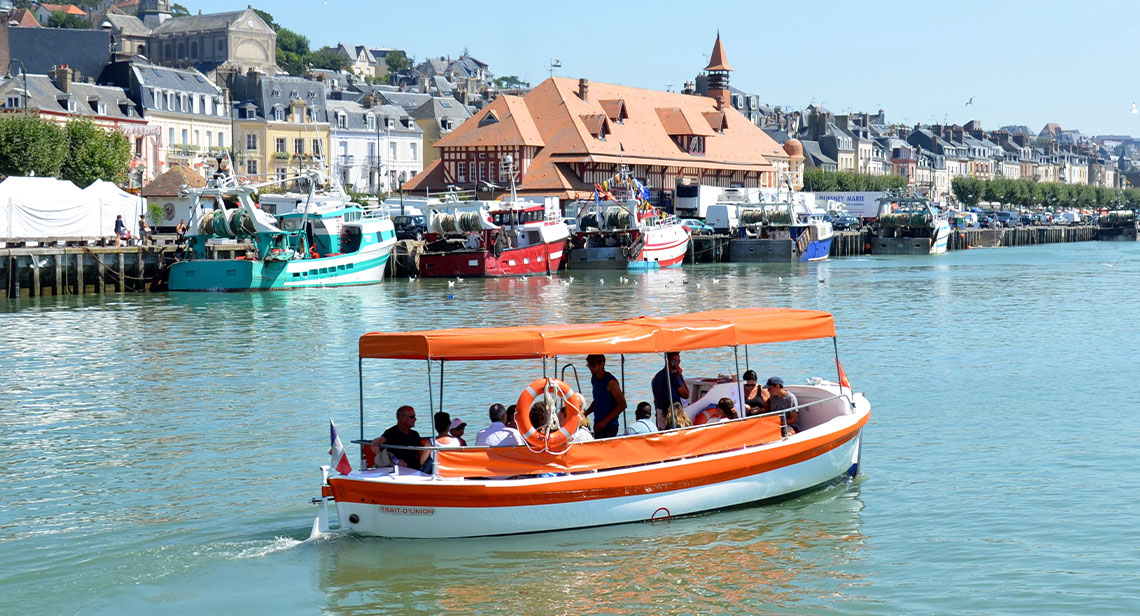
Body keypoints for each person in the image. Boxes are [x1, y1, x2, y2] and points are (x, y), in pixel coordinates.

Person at [585, 354, 626, 439]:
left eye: (593, 365)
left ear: (602, 364)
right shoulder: (594, 379)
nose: (591, 368)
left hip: (610, 425)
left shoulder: (611, 382)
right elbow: (597, 400)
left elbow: (622, 405)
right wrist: (585, 414)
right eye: (589, 365)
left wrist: (604, 422)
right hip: (598, 423)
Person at [370, 405, 422, 470]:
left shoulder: (415, 434)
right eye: (412, 417)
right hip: (398, 469)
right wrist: (375, 443)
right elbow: (380, 439)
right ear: (401, 418)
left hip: (416, 469)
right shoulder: (391, 433)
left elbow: (420, 454)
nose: (415, 419)